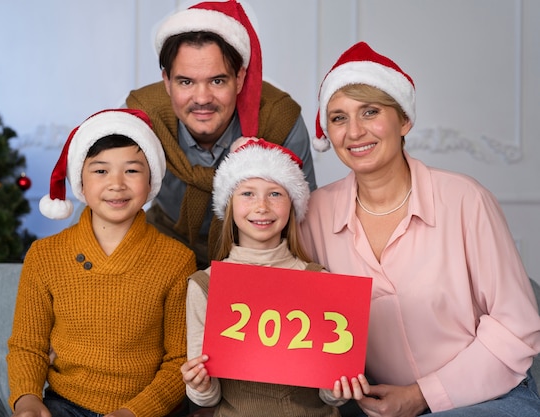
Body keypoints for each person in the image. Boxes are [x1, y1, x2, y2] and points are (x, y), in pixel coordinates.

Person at [300, 41, 540, 416]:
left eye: (370, 112)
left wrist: (419, 396)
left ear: (404, 120)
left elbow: (517, 327)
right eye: (339, 118)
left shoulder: (465, 199)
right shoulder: (314, 214)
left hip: (488, 397)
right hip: (371, 406)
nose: (354, 131)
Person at [6, 109, 197, 417]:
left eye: (132, 171)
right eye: (100, 171)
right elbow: (28, 346)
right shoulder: (44, 255)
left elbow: (179, 360)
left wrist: (134, 412)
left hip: (142, 409)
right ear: (80, 180)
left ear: (152, 181)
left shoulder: (176, 260)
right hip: (63, 404)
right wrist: (27, 399)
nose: (117, 184)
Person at [180, 137, 370, 416]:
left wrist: (337, 388)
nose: (262, 207)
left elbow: (330, 395)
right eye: (247, 194)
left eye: (275, 194)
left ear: (292, 205)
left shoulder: (321, 280)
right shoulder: (204, 286)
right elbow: (206, 399)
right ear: (229, 205)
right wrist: (199, 383)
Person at [126, 0, 317, 269]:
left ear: (239, 78)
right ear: (166, 81)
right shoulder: (143, 115)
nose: (202, 98)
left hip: (257, 252)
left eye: (217, 81)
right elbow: (109, 195)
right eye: (186, 82)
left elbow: (304, 219)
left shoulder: (278, 119)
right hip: (164, 240)